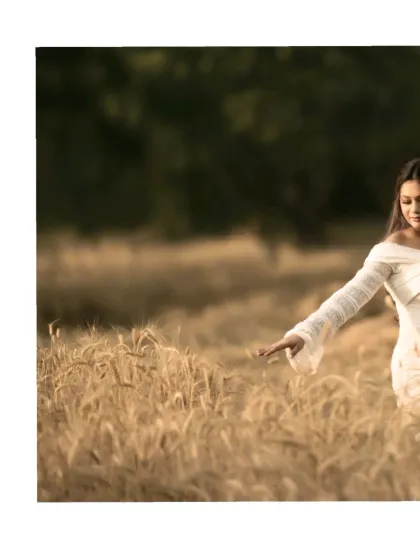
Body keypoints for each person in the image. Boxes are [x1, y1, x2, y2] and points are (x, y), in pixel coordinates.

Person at [257, 158, 420, 419]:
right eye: (406, 201)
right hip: (416, 367)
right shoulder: (392, 250)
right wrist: (305, 332)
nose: (414, 209)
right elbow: (350, 296)